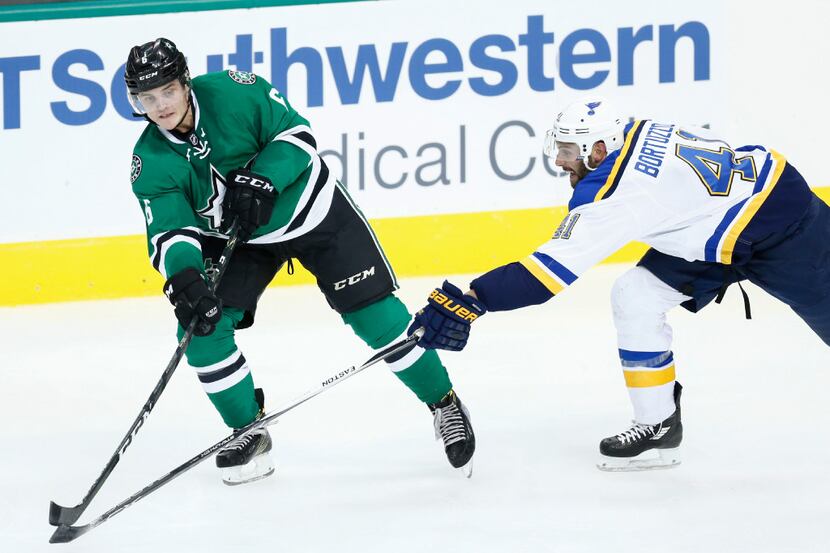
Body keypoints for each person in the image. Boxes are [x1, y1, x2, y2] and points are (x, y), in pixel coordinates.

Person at [409, 96, 830, 471]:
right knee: (636, 296)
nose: (560, 161)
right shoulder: (632, 130)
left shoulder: (615, 194)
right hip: (717, 226)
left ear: (599, 149)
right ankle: (657, 422)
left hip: (785, 226)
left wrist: (472, 300)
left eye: (569, 150)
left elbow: (543, 278)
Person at [125, 38, 475, 485]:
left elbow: (298, 135)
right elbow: (171, 230)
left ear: (185, 82)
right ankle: (248, 431)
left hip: (312, 211)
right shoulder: (149, 160)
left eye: (167, 92)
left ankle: (443, 402)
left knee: (378, 319)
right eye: (147, 98)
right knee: (200, 332)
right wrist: (186, 277)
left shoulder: (236, 90)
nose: (160, 106)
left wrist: (264, 179)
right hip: (240, 238)